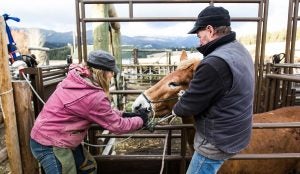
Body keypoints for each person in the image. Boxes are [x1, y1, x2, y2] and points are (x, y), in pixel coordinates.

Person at [30, 50, 149, 174]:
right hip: (49, 143)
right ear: (101, 72)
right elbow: (117, 126)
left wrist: (125, 114)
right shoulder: (93, 96)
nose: (112, 75)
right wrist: (141, 120)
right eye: (110, 71)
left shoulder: (78, 79)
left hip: (59, 136)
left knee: (88, 168)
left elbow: (101, 111)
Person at [172, 5, 255, 174]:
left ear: (209, 30)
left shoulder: (213, 63)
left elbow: (187, 106)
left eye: (199, 35)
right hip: (236, 132)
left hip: (216, 140)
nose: (199, 40)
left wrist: (176, 106)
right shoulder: (240, 50)